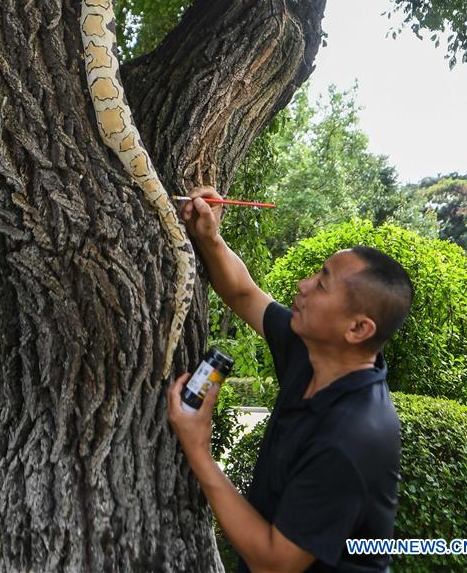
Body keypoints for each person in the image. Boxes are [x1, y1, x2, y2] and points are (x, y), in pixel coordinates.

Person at [167, 187, 414, 573]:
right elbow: (242, 293)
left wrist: (198, 448)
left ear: (358, 328)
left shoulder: (354, 436)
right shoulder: (312, 350)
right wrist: (209, 237)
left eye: (322, 284)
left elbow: (275, 563)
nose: (303, 284)